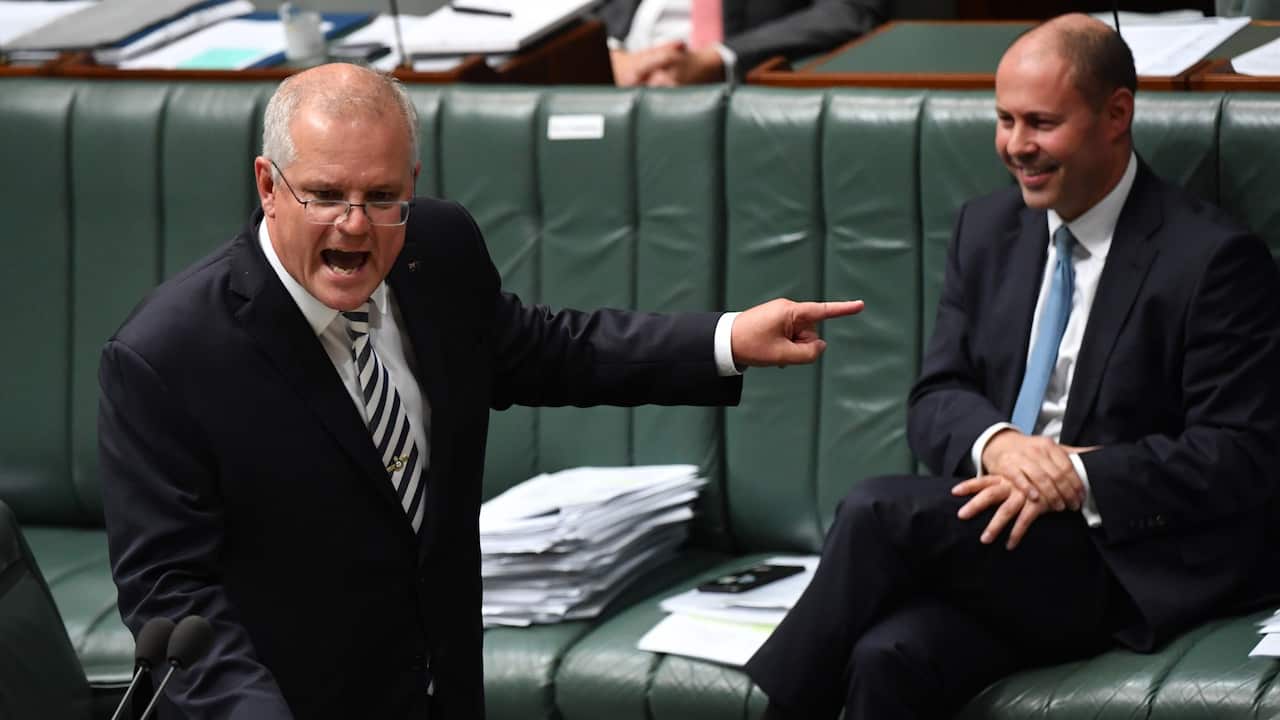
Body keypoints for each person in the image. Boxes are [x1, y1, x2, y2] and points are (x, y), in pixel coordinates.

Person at [97, 62, 862, 719]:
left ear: (414, 185)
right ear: (268, 185)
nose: (357, 227)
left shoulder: (436, 248)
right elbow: (174, 600)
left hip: (444, 688)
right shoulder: (168, 359)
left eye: (383, 196)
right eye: (326, 196)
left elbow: (547, 350)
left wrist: (727, 340)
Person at [745, 13, 1280, 719]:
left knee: (877, 512)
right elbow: (937, 396)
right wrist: (1001, 445)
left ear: (1116, 114)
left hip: (1120, 557)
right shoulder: (987, 229)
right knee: (888, 660)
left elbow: (1240, 456)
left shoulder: (1210, 259)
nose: (1015, 146)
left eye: (1040, 123)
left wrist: (1074, 475)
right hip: (998, 543)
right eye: (1003, 120)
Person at [599, 0, 886, 86]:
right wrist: (607, 57)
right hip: (617, 81)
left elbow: (850, 10)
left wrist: (716, 61)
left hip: (745, 86)